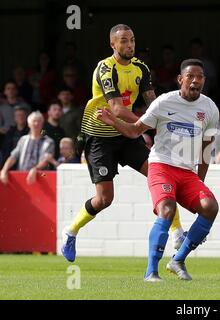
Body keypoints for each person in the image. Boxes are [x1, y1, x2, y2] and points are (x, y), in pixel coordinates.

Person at [60, 24, 186, 263]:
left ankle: (177, 232)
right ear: (113, 45)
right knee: (105, 199)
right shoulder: (105, 69)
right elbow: (117, 108)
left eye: (132, 40)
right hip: (99, 137)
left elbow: (152, 103)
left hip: (126, 133)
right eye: (124, 41)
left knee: (160, 176)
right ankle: (71, 231)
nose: (130, 45)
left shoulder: (141, 68)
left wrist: (167, 119)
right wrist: (147, 125)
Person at [97, 59, 220, 282]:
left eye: (200, 77)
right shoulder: (164, 102)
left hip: (187, 173)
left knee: (210, 207)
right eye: (190, 76)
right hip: (161, 166)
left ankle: (177, 260)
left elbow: (207, 147)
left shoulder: (209, 108)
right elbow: (135, 131)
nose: (195, 81)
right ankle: (151, 272)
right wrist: (113, 121)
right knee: (167, 209)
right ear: (180, 79)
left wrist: (200, 181)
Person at [0, 111, 54, 185]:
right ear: (29, 124)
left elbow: (46, 160)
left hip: (41, 178)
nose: (36, 123)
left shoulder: (48, 141)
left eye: (39, 121)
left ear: (42, 124)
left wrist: (35, 169)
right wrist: (4, 170)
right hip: (22, 176)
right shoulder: (23, 139)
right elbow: (13, 156)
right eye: (34, 121)